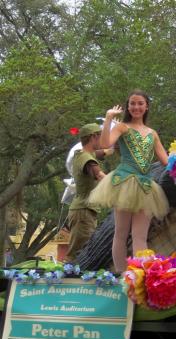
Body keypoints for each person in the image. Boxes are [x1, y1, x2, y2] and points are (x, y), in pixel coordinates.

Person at [89, 90, 169, 272]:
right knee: (121, 233)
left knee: (140, 236)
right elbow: (104, 144)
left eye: (140, 103)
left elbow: (166, 161)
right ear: (128, 106)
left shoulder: (152, 133)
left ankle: (140, 277)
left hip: (145, 186)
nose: (136, 107)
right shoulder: (122, 127)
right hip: (124, 182)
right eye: (132, 103)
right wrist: (109, 118)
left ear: (146, 106)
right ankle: (121, 275)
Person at [66, 123, 110, 261]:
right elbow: (100, 176)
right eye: (100, 137)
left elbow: (105, 151)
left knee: (83, 251)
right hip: (83, 212)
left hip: (84, 211)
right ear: (93, 137)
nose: (102, 140)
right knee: (78, 253)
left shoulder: (82, 154)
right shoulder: (87, 159)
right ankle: (69, 279)